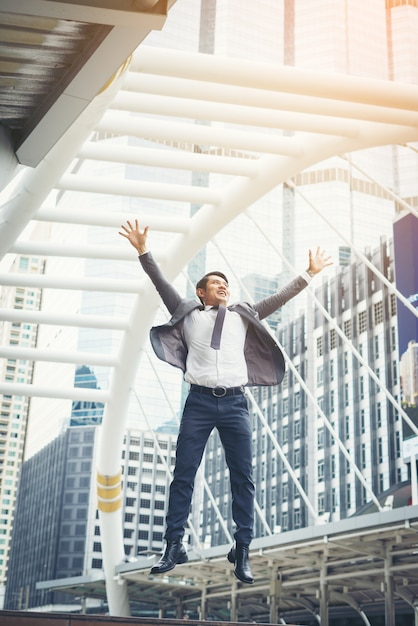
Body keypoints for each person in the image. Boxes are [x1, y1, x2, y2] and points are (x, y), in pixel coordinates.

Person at [119, 219, 332, 584]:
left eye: (226, 284)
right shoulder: (187, 312)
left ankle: (242, 550)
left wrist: (309, 274)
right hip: (199, 404)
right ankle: (173, 546)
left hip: (235, 404)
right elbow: (160, 283)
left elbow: (280, 298)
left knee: (243, 478)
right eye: (216, 284)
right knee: (183, 475)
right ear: (201, 293)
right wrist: (143, 251)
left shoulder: (243, 314)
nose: (224, 287)